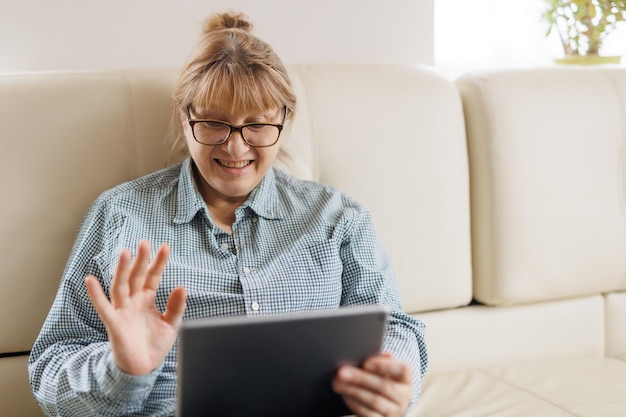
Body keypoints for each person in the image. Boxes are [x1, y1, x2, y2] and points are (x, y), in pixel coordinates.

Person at [28, 11, 427, 417]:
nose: (235, 149)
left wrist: (391, 376)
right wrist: (122, 370)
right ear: (185, 119)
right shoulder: (120, 216)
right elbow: (50, 365)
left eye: (256, 125)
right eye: (214, 123)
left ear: (284, 122)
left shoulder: (339, 218)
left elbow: (397, 328)